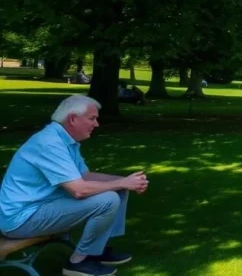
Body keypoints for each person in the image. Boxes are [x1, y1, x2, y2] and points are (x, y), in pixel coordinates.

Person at [0, 95, 148, 276]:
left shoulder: (65, 140)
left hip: (40, 205)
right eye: (92, 118)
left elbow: (84, 175)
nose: (96, 124)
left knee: (117, 189)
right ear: (72, 119)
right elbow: (78, 190)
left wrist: (123, 181)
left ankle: (97, 250)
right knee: (108, 198)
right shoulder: (49, 143)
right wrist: (122, 182)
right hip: (20, 219)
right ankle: (77, 262)